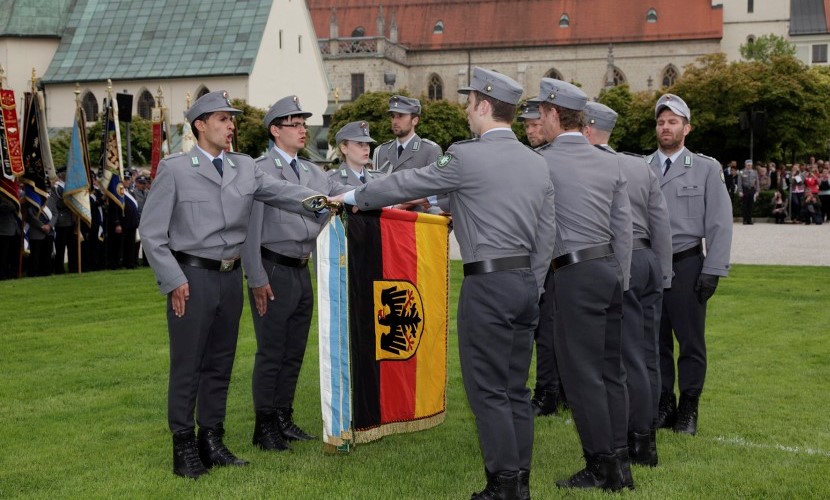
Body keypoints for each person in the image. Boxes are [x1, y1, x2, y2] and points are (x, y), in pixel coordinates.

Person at [333, 66, 556, 500]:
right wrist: (535, 281)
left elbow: (406, 182)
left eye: (470, 102)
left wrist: (352, 196)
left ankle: (503, 486)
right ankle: (520, 481)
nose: (466, 110)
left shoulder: (466, 155)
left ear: (485, 106)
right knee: (515, 388)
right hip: (527, 283)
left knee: (488, 391)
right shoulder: (536, 162)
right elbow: (547, 234)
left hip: (488, 286)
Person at [139, 90, 323, 479]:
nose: (230, 126)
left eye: (231, 119)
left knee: (220, 364)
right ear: (200, 125)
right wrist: (173, 280)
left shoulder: (243, 167)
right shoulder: (176, 169)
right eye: (222, 119)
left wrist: (322, 200)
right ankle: (184, 446)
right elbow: (151, 233)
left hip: (228, 278)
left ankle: (212, 438)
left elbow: (283, 192)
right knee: (189, 364)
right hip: (192, 278)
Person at [242, 95, 353, 453]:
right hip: (272, 266)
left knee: (294, 351)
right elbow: (251, 231)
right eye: (295, 124)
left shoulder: (311, 171)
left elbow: (346, 194)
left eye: (304, 124)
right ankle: (265, 425)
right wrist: (257, 277)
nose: (303, 129)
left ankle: (284, 416)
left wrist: (394, 197)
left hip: (301, 268)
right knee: (271, 350)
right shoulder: (260, 170)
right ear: (276, 130)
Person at [536, 80, 633, 492]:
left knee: (581, 377)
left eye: (541, 114)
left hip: (573, 274)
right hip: (608, 270)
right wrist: (621, 279)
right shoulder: (609, 162)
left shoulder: (542, 161)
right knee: (612, 371)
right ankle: (620, 461)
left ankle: (602, 468)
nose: (539, 122)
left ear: (556, 115)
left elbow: (540, 231)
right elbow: (623, 228)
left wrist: (536, 281)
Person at [583, 101, 672, 469]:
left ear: (587, 128)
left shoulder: (590, 164)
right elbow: (661, 222)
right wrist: (664, 273)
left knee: (623, 356)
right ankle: (646, 439)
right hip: (649, 259)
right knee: (647, 353)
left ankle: (635, 437)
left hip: (621, 260)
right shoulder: (640, 165)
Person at [648, 94, 732, 436]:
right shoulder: (642, 168)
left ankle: (689, 407)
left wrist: (713, 269)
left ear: (687, 128)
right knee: (655, 342)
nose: (666, 127)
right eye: (661, 122)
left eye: (672, 122)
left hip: (686, 266)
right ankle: (664, 402)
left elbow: (719, 223)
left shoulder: (706, 168)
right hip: (651, 267)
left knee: (691, 342)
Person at [519, 96, 565, 417]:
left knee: (546, 331)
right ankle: (558, 390)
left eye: (536, 124)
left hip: (549, 257)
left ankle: (548, 391)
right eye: (526, 125)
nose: (530, 130)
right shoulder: (535, 158)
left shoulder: (547, 159)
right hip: (547, 255)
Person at [372, 95, 442, 175]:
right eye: (393, 116)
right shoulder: (381, 151)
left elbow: (437, 185)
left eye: (400, 116)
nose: (395, 121)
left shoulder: (430, 151)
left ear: (415, 120)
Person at [328, 121, 382, 186]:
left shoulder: (380, 178)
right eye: (360, 144)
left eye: (367, 144)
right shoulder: (331, 180)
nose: (366, 148)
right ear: (344, 149)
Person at [48, 167, 78, 274]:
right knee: (60, 248)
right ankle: (59, 269)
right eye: (66, 173)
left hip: (72, 220)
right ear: (61, 174)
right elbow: (56, 204)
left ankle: (73, 267)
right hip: (62, 221)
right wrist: (71, 203)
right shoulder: (56, 188)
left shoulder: (68, 186)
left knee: (72, 247)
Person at [0, 195, 21, 280]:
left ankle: (13, 273)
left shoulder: (13, 194)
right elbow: (3, 207)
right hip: (3, 230)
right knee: (3, 255)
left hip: (16, 229)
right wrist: (16, 203)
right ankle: (2, 275)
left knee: (14, 254)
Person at [738, 159, 760, 225]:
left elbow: (757, 182)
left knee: (751, 205)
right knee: (745, 205)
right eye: (748, 165)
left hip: (752, 189)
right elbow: (739, 182)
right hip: (745, 189)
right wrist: (740, 191)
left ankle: (749, 220)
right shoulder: (741, 172)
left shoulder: (755, 172)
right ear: (745, 165)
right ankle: (745, 220)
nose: (749, 166)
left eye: (750, 165)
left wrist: (757, 191)